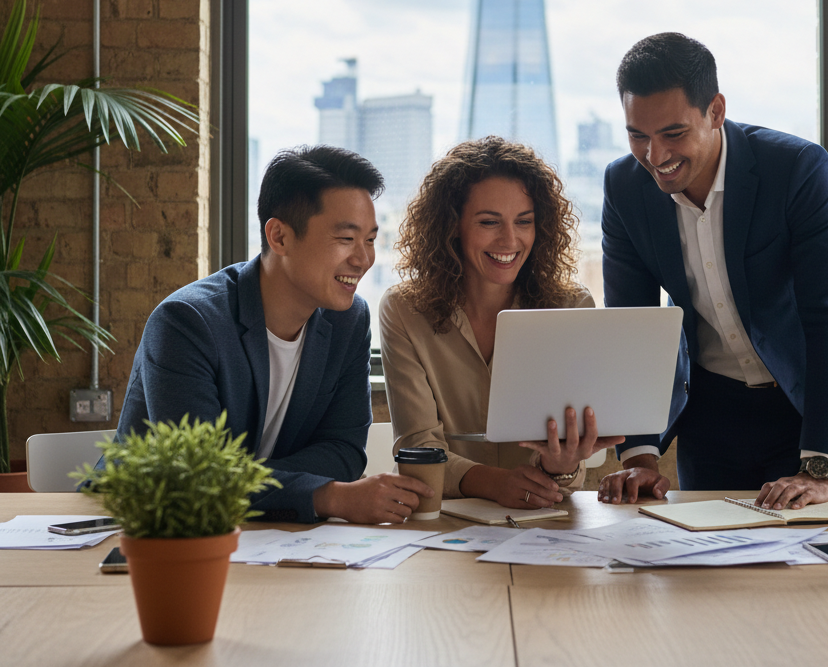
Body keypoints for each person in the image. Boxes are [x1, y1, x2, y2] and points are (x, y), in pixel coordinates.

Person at [598, 33, 828, 510]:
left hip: (805, 403)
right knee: (707, 567)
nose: (655, 157)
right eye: (639, 135)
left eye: (673, 133)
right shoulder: (624, 187)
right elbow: (630, 326)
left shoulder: (797, 169)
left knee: (807, 569)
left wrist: (819, 467)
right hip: (711, 411)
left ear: (715, 111)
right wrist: (640, 453)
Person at [112, 145, 433, 524]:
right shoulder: (187, 323)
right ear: (279, 236)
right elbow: (197, 476)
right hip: (145, 525)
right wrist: (325, 495)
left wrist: (250, 480)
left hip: (273, 530)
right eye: (346, 239)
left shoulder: (349, 320)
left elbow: (345, 451)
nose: (363, 259)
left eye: (370, 239)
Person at [380, 136, 623, 508]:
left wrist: (560, 466)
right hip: (446, 526)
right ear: (452, 226)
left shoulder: (571, 306)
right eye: (489, 222)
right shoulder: (403, 310)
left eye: (524, 221)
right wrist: (494, 483)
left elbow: (566, 475)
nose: (510, 239)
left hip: (547, 524)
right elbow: (417, 450)